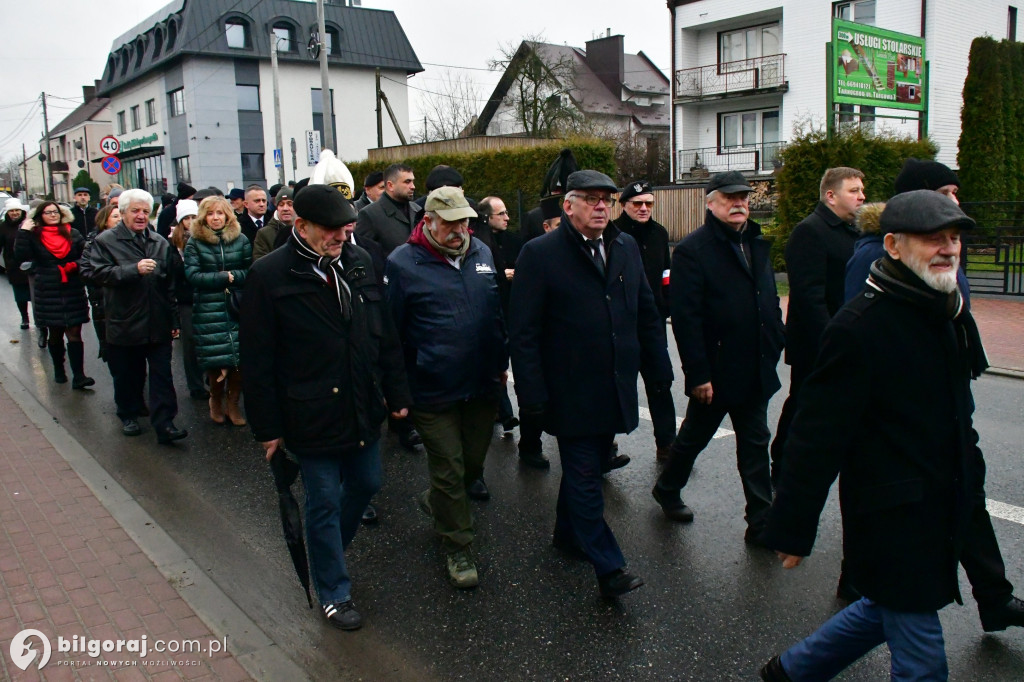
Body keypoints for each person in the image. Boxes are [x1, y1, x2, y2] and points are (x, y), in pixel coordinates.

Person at [758, 190, 1024, 681]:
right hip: (891, 514)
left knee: (884, 608)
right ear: (894, 247)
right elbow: (817, 436)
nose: (948, 248)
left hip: (943, 500)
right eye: (932, 239)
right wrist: (794, 526)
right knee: (919, 653)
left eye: (953, 239)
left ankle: (792, 672)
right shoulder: (859, 327)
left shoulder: (945, 310)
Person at [241, 184, 411, 630]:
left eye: (345, 228)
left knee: (367, 482)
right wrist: (268, 429)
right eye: (332, 230)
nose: (341, 236)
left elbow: (384, 332)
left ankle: (326, 550)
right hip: (308, 412)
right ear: (302, 226)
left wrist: (398, 393)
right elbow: (257, 360)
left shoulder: (357, 262)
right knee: (323, 502)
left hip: (361, 404)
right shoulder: (269, 275)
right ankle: (334, 590)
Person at [510, 170, 673, 598]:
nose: (602, 206)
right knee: (585, 476)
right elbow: (523, 333)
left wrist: (658, 372)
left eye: (607, 199)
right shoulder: (539, 254)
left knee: (587, 469)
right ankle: (609, 566)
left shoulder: (625, 248)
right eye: (591, 199)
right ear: (569, 206)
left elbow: (646, 315)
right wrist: (531, 396)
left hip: (614, 385)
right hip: (569, 390)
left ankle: (567, 535)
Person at [651, 171, 785, 546]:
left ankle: (760, 521)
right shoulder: (695, 250)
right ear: (711, 203)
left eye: (743, 197)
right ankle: (668, 487)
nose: (739, 203)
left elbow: (768, 299)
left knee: (756, 443)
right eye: (729, 198)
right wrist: (698, 373)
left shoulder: (756, 242)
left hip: (756, 364)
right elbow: (687, 317)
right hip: (718, 369)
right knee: (695, 437)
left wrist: (775, 336)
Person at [386, 186, 507, 589]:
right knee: (450, 469)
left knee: (471, 466)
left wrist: (501, 365)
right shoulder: (402, 263)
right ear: (429, 222)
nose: (460, 231)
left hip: (481, 384)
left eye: (465, 222)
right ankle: (458, 547)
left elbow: (496, 314)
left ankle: (439, 500)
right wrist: (397, 391)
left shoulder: (483, 254)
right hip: (431, 388)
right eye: (451, 223)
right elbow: (391, 333)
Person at [770, 167, 863, 487]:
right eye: (854, 190)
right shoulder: (809, 231)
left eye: (861, 190)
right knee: (804, 404)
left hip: (847, 340)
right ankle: (781, 463)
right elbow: (809, 296)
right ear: (830, 195)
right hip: (818, 343)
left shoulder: (854, 231)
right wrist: (832, 342)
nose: (862, 196)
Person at [84, 189, 186, 444]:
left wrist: (173, 320)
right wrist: (133, 270)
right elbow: (98, 273)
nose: (141, 216)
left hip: (157, 320)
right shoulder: (106, 241)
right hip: (124, 320)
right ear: (125, 212)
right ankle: (128, 414)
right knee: (128, 373)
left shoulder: (159, 242)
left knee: (162, 374)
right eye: (135, 211)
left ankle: (166, 424)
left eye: (145, 211)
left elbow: (168, 284)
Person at [611, 180, 676, 462]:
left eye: (648, 203)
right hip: (619, 323)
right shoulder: (612, 234)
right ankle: (605, 443)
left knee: (660, 381)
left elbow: (666, 273)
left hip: (652, 321)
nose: (643, 208)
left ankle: (668, 444)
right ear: (624, 205)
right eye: (637, 203)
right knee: (613, 383)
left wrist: (667, 302)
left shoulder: (659, 233)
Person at [845, 159, 970, 305]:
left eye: (954, 193)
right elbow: (857, 313)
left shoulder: (948, 248)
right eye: (944, 193)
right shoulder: (873, 252)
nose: (954, 202)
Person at [184, 196, 251, 426]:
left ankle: (233, 403)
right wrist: (222, 278)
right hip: (209, 308)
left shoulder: (240, 239)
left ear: (227, 215)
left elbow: (250, 269)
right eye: (211, 213)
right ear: (204, 217)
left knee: (239, 360)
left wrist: (234, 277)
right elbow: (192, 275)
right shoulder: (195, 242)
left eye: (220, 213)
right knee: (215, 359)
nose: (215, 218)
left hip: (236, 307)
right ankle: (215, 399)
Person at [15, 202, 94, 389]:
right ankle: (59, 369)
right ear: (40, 216)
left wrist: (73, 265)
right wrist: (24, 232)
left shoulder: (72, 233)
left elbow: (85, 255)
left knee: (74, 332)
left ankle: (79, 376)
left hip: (72, 288)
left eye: (56, 212)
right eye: (48, 212)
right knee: (56, 333)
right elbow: (21, 256)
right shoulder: (34, 236)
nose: (53, 215)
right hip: (48, 289)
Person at [474, 195, 521, 436]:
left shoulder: (513, 240)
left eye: (506, 212)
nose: (507, 218)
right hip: (492, 313)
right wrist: (502, 275)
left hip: (512, 312)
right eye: (501, 214)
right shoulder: (478, 242)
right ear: (486, 217)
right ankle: (504, 412)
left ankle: (504, 412)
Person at [167, 200, 207, 400]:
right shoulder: (173, 245)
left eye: (193, 217)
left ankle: (211, 378)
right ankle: (195, 384)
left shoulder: (204, 239)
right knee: (190, 342)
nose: (190, 222)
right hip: (185, 299)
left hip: (205, 295)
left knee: (208, 339)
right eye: (186, 218)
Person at [81, 203, 122, 361]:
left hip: (128, 302)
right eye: (115, 216)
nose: (119, 220)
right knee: (111, 348)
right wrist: (112, 275)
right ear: (105, 221)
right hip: (103, 299)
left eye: (121, 216)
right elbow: (85, 272)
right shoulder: (94, 243)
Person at [354, 163, 417, 257]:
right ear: (390, 185)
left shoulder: (417, 210)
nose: (413, 186)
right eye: (407, 182)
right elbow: (362, 255)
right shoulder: (370, 214)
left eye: (412, 181)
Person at [1, 198, 32, 330]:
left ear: (22, 211)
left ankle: (40, 321)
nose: (14, 213)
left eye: (17, 210)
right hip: (13, 265)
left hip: (31, 264)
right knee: (20, 295)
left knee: (36, 295)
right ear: (7, 212)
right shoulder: (2, 227)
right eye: (11, 211)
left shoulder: (29, 223)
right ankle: (24, 318)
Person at [252, 187, 295, 260]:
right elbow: (259, 263)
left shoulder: (304, 231)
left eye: (290, 204)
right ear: (277, 207)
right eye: (281, 205)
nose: (285, 208)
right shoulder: (264, 234)